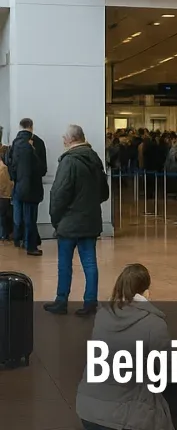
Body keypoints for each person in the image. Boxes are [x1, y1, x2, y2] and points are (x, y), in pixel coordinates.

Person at [76, 264, 173, 430]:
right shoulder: (154, 323)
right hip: (125, 418)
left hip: (88, 411)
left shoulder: (103, 315)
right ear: (146, 292)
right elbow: (169, 371)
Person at [44, 125, 109, 316]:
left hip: (69, 223)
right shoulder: (94, 159)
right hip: (90, 221)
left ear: (71, 139)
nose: (63, 140)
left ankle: (61, 301)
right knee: (90, 263)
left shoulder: (69, 161)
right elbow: (104, 193)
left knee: (65, 264)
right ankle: (90, 303)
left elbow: (59, 193)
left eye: (64, 137)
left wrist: (56, 219)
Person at [7, 117, 48, 255]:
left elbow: (10, 164)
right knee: (30, 217)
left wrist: (15, 178)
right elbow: (42, 169)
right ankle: (30, 245)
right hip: (32, 187)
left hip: (18, 186)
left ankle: (18, 239)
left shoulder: (14, 143)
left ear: (20, 126)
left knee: (18, 215)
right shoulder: (37, 143)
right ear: (31, 126)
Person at [0, 144, 11, 242]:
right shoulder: (4, 167)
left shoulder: (2, 168)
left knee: (2, 216)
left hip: (3, 195)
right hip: (5, 195)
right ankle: (3, 234)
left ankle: (3, 234)